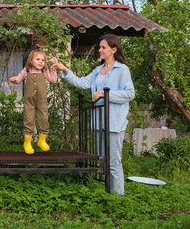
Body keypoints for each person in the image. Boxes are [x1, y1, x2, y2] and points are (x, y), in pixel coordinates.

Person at [52, 34, 135, 195]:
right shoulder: (98, 70)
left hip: (114, 122)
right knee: (103, 159)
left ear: (113, 50)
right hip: (99, 121)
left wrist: (105, 95)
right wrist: (65, 70)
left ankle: (118, 197)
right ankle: (108, 193)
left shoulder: (122, 69)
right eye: (100, 47)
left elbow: (130, 94)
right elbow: (82, 83)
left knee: (113, 161)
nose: (100, 50)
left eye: (103, 47)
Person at [10, 46, 58, 154]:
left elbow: (53, 80)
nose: (41, 62)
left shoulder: (44, 71)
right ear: (31, 60)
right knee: (29, 119)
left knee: (43, 118)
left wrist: (53, 70)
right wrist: (15, 80)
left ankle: (42, 140)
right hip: (29, 102)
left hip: (41, 101)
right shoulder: (26, 70)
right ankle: (27, 142)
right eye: (38, 59)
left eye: (43, 60)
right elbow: (19, 78)